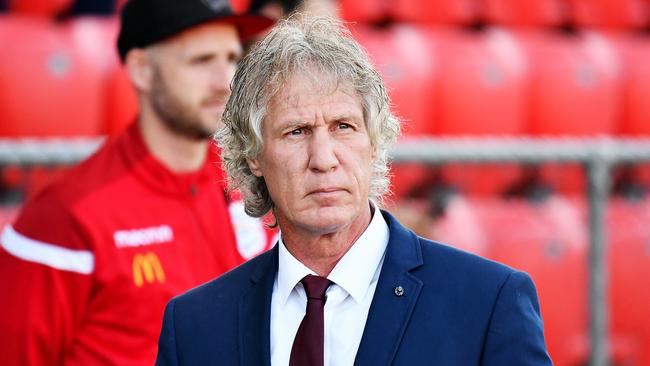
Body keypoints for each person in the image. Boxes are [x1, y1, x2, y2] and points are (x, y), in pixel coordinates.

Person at [155, 15, 553, 366]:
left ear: (375, 141)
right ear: (253, 155)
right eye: (297, 132)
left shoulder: (487, 302)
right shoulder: (194, 327)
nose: (324, 158)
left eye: (343, 127)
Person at [0, 0, 273, 364]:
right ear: (142, 70)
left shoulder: (258, 181)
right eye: (201, 60)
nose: (225, 81)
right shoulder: (66, 216)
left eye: (231, 58)